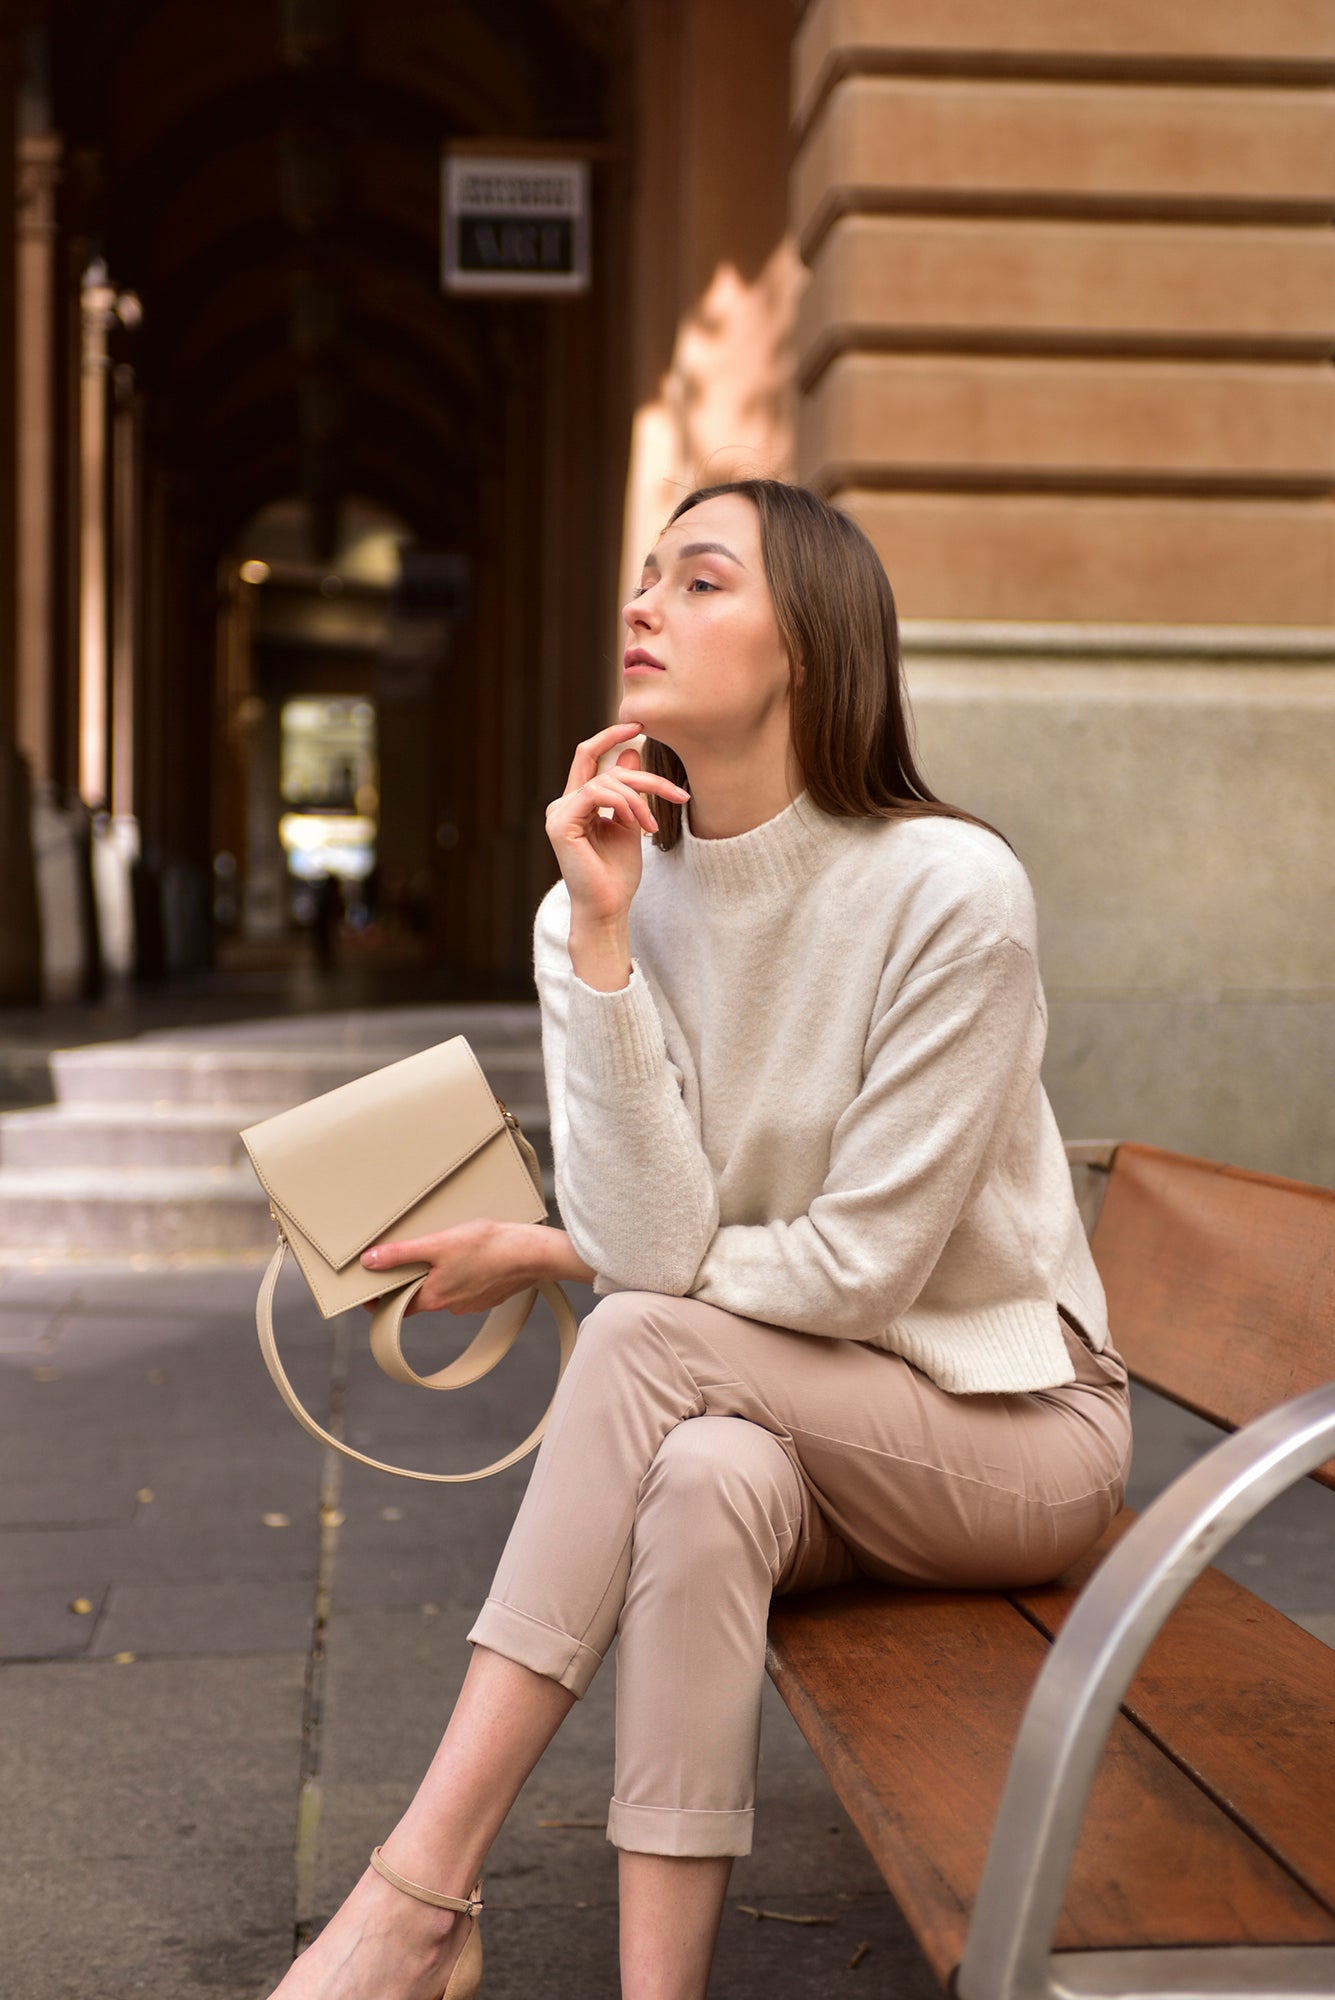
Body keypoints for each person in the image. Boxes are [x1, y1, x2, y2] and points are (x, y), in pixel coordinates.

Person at [267, 480, 1131, 2000]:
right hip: (790, 1427)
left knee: (647, 1343)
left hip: (1013, 1432)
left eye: (699, 580)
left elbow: (850, 1270)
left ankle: (418, 1892)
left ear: (810, 643)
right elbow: (651, 1233)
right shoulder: (593, 901)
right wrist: (600, 941)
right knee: (707, 1477)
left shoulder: (949, 891)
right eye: (644, 578)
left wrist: (582, 1263)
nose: (643, 606)